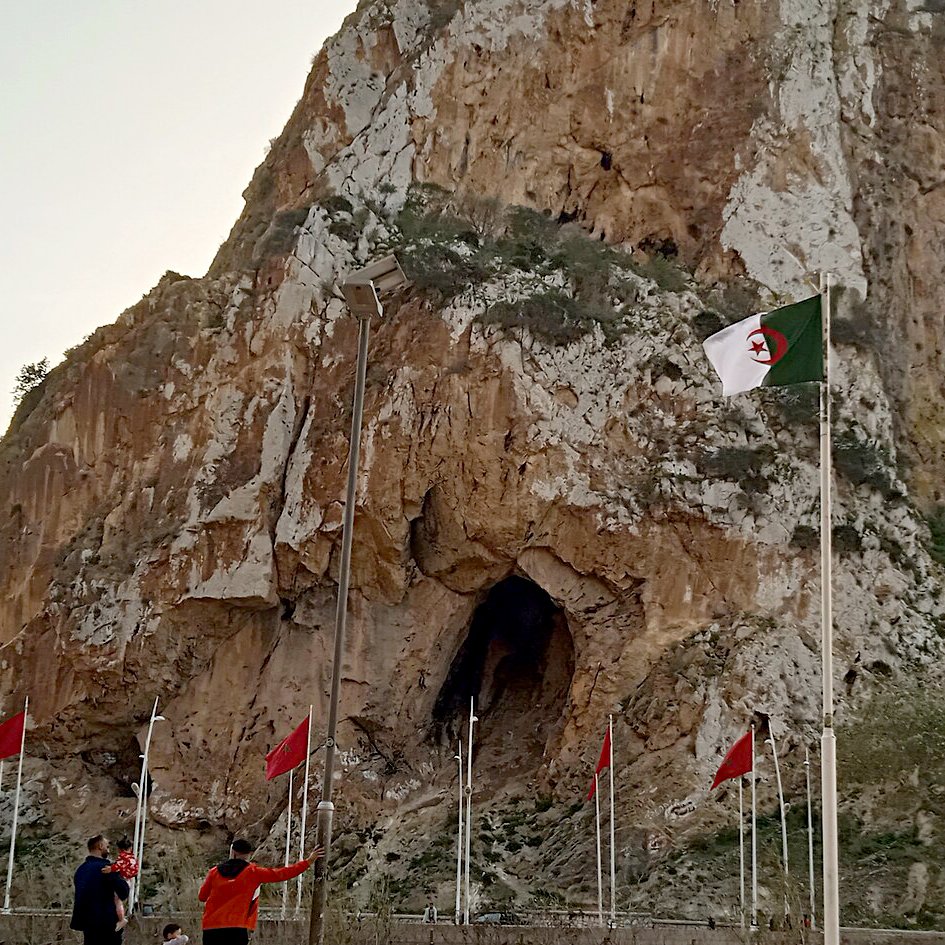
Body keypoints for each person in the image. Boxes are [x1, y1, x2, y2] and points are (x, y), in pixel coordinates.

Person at [198, 838, 323, 944]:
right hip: (237, 926)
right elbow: (283, 873)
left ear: (233, 852)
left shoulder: (214, 872)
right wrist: (309, 861)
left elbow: (202, 896)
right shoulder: (253, 872)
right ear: (249, 854)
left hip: (211, 927)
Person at [70, 835, 130, 945]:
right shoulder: (106, 868)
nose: (108, 850)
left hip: (88, 925)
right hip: (107, 924)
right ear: (101, 846)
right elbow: (123, 892)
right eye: (107, 846)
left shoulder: (81, 870)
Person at [101, 836, 139, 930]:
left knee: (117, 900)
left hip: (123, 880)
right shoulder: (132, 858)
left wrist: (111, 869)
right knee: (119, 900)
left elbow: (118, 866)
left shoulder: (123, 857)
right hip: (129, 880)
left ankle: (121, 919)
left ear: (119, 849)